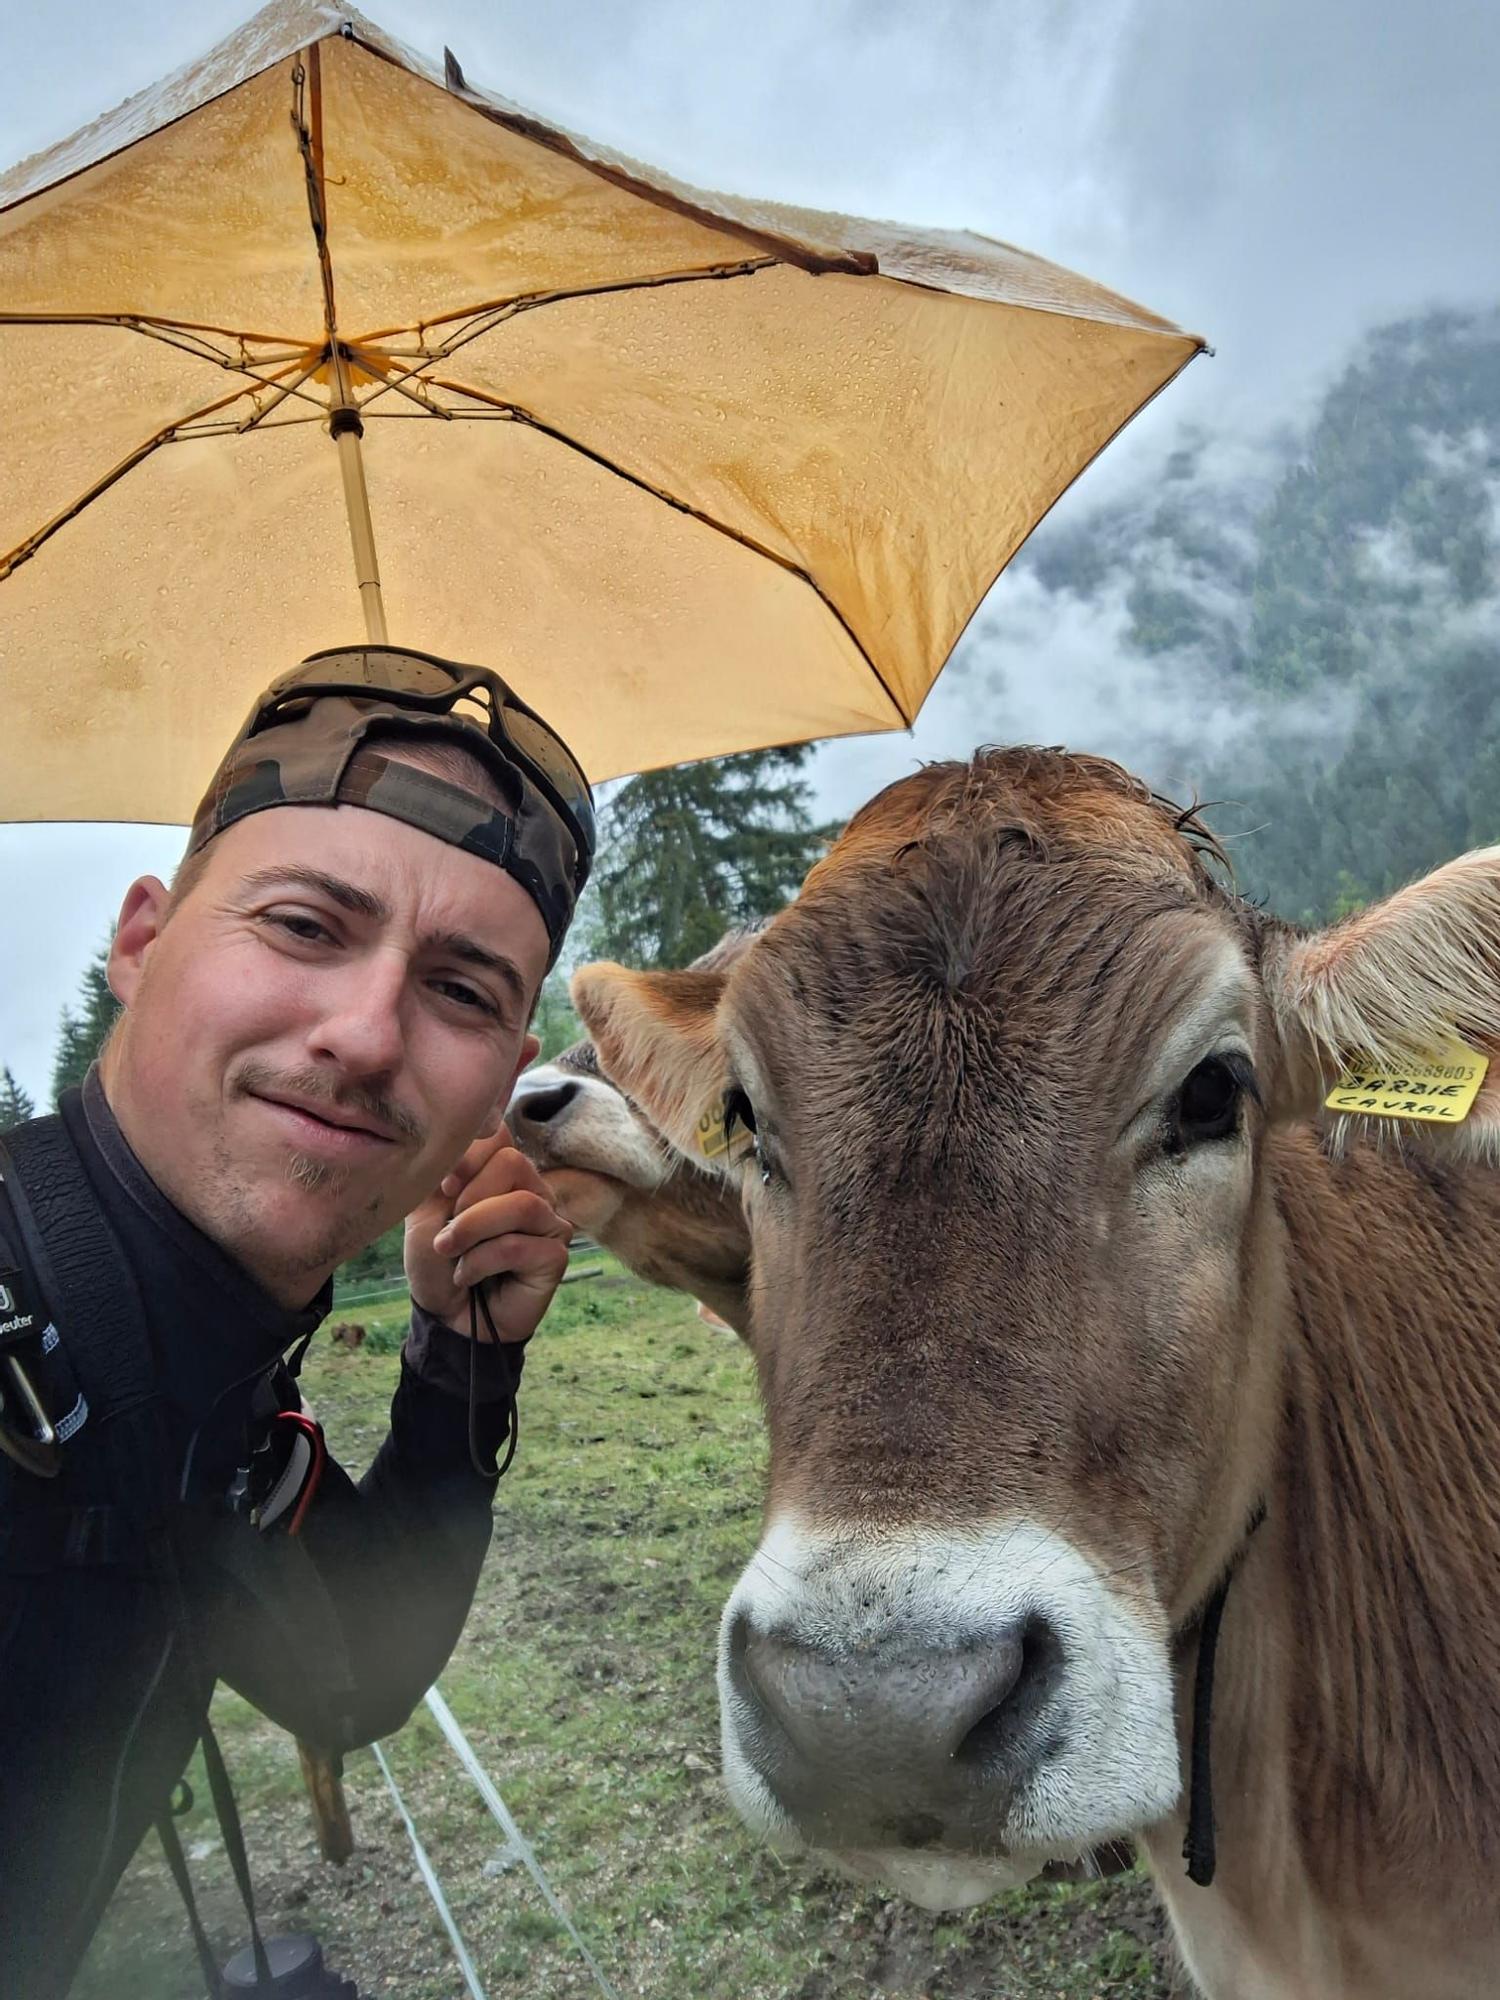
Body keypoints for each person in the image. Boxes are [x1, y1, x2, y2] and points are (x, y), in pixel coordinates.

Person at [0, 645, 596, 1997]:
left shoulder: (216, 1393)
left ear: (502, 1080)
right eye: (305, 927)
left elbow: (348, 1673)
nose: (368, 1035)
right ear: (142, 945)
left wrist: (462, 1362)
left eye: (462, 990)